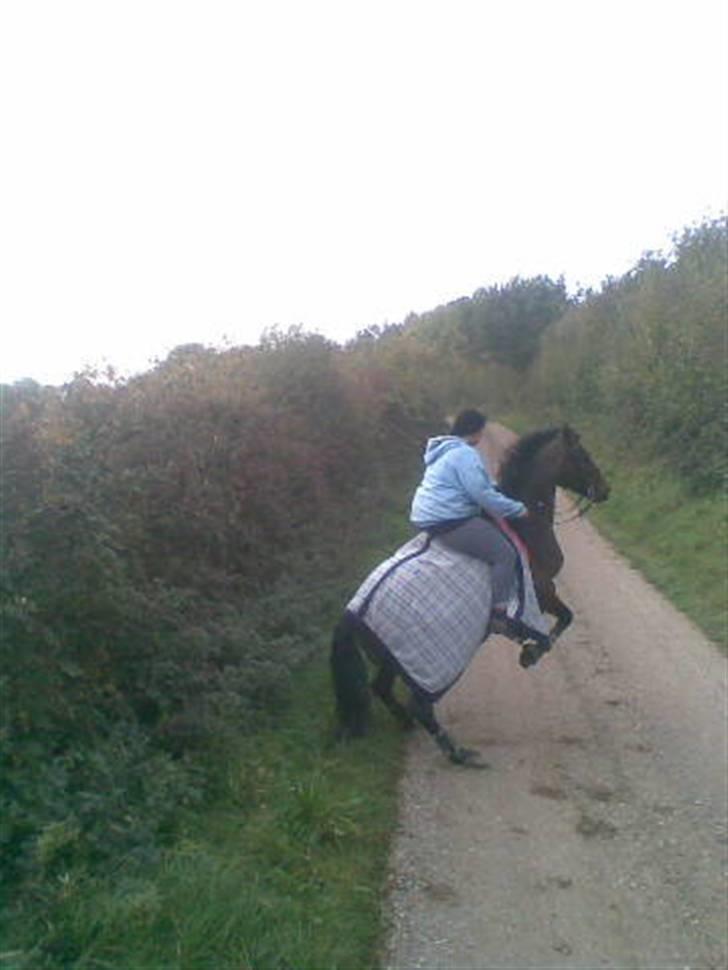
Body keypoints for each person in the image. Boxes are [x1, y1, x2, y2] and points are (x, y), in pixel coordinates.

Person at [410, 408, 528, 618]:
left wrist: (493, 488)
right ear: (474, 432)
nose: (481, 437)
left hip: (424, 515)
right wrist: (517, 509)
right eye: (481, 432)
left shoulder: (444, 451)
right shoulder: (465, 454)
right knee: (505, 555)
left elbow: (475, 483)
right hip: (448, 520)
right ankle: (498, 612)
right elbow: (481, 494)